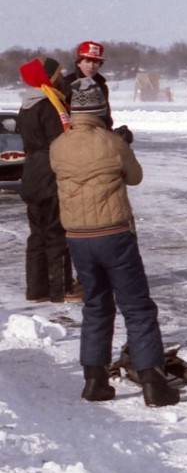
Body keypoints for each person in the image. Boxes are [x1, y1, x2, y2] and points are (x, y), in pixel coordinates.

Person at [49, 77, 179, 407]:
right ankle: (153, 382)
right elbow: (134, 177)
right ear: (101, 109)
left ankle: (95, 382)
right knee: (137, 307)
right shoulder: (111, 142)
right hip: (114, 234)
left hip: (77, 237)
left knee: (96, 305)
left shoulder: (58, 145)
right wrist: (123, 144)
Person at [17, 57, 81, 304]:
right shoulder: (49, 105)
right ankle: (61, 289)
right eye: (58, 74)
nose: (61, 77)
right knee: (56, 232)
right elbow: (60, 142)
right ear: (50, 77)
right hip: (49, 171)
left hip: (31, 172)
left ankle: (36, 289)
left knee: (37, 234)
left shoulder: (27, 105)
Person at [63, 41, 133, 144]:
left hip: (97, 137)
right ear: (79, 63)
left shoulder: (102, 86)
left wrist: (114, 134)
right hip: (73, 138)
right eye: (88, 61)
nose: (91, 66)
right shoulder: (67, 84)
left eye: (95, 62)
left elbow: (106, 116)